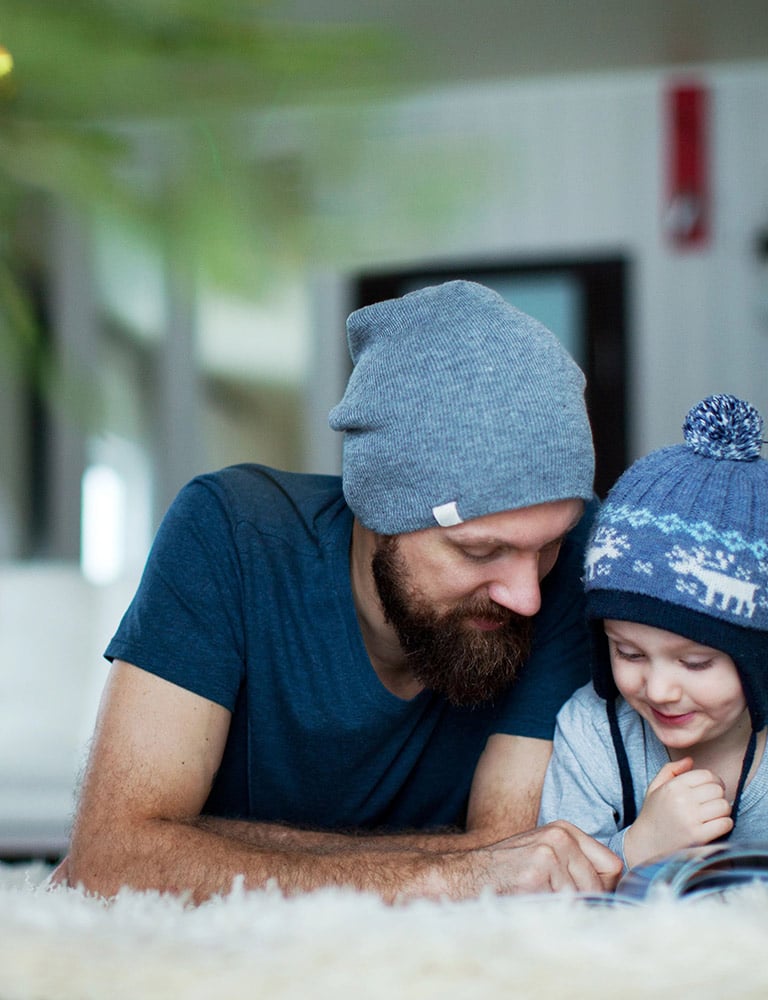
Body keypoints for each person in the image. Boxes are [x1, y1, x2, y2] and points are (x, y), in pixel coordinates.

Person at [59, 280, 622, 902]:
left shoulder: (572, 562)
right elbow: (113, 858)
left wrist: (198, 848)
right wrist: (443, 872)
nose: (526, 596)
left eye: (546, 546)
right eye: (479, 551)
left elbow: (513, 851)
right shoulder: (230, 534)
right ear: (378, 513)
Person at [539, 393, 768, 869]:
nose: (658, 688)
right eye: (628, 653)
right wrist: (640, 846)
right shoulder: (591, 730)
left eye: (695, 662)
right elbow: (553, 900)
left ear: (761, 656)